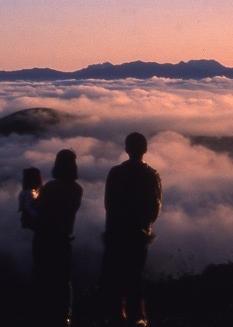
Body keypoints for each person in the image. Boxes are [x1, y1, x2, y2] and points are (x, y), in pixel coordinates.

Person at [99, 133, 162, 327]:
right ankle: (137, 318)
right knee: (135, 276)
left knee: (115, 276)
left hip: (116, 232)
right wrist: (145, 225)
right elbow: (155, 206)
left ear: (126, 149)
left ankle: (116, 316)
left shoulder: (115, 172)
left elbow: (108, 204)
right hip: (139, 234)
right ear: (145, 150)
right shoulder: (152, 174)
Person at [33, 149, 83, 327]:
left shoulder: (50, 187)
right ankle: (65, 318)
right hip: (63, 241)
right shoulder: (77, 189)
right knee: (63, 282)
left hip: (44, 241)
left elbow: (38, 212)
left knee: (44, 281)